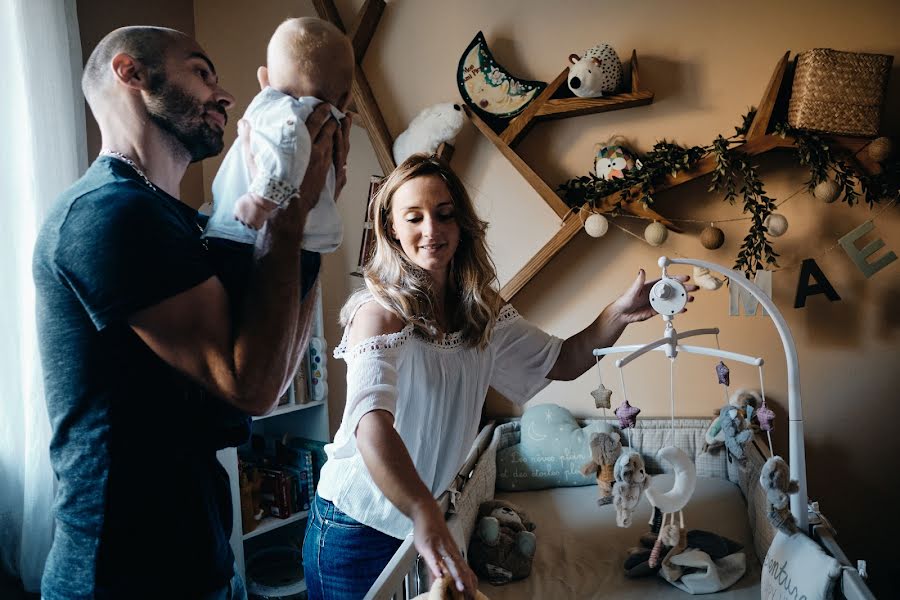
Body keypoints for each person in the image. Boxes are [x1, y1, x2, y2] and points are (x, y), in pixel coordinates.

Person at [32, 25, 349, 599]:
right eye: (201, 72)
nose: (225, 95)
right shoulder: (107, 215)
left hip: (197, 559)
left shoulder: (180, 222)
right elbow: (250, 384)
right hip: (121, 579)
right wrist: (294, 217)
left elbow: (273, 371)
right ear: (130, 73)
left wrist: (309, 230)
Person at [302, 154, 697, 599]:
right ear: (392, 228)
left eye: (444, 214)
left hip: (421, 520)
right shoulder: (378, 314)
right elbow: (370, 425)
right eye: (414, 217)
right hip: (357, 526)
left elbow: (563, 360)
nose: (431, 229)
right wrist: (423, 513)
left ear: (461, 223)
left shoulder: (479, 312)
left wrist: (619, 313)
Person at [205, 17, 353, 252]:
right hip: (281, 241)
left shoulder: (283, 112)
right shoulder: (311, 121)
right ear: (346, 99)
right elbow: (291, 152)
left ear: (264, 79)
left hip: (244, 234)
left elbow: (288, 149)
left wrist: (260, 202)